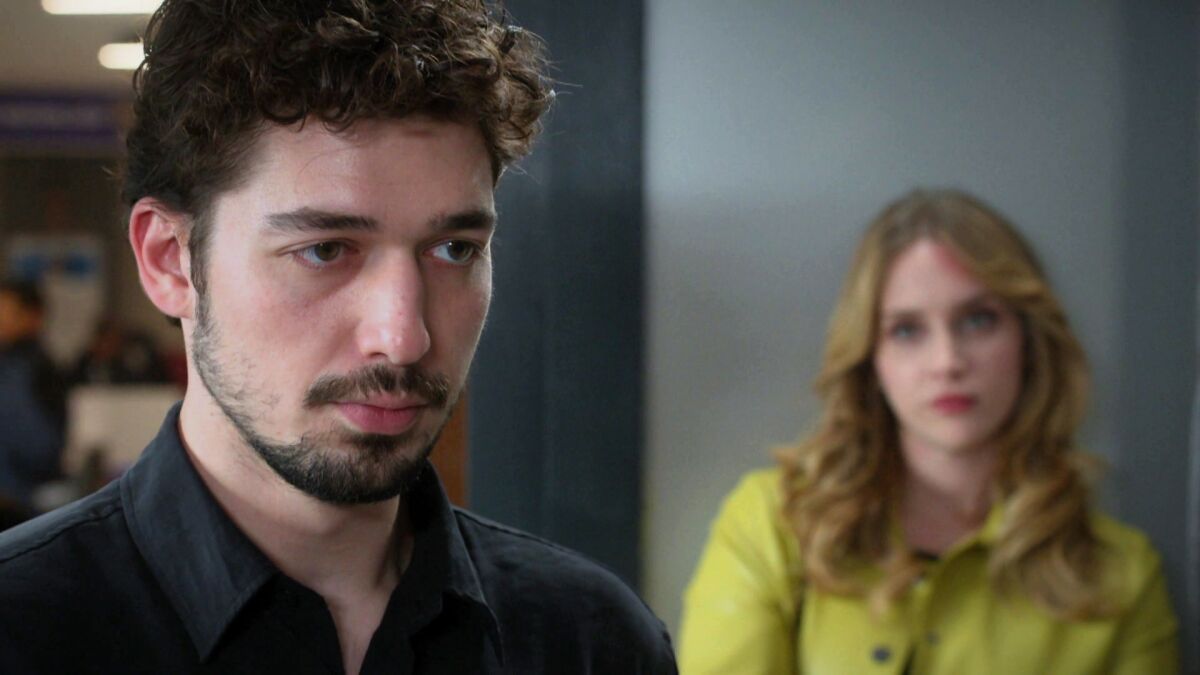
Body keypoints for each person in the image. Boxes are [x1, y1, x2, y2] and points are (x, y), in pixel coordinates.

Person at [0, 2, 675, 673]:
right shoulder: (22, 630)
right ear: (170, 262)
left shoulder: (589, 642)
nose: (402, 339)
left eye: (454, 249)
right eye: (325, 250)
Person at [679, 189, 1179, 674]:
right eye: (907, 330)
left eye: (978, 320)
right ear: (871, 358)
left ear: (1028, 341)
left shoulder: (1122, 576)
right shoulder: (773, 524)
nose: (947, 362)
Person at [0, 279, 66, 519]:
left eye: (8, 313)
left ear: (34, 316)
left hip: (20, 500)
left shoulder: (30, 371)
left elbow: (40, 448)